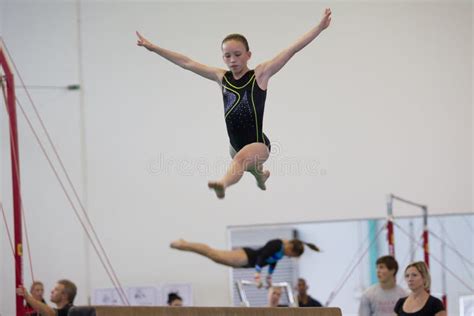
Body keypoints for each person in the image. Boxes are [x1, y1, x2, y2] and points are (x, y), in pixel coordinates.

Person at [136, 8, 332, 199]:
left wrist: (319, 28)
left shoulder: (260, 75)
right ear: (223, 57)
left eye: (238, 54)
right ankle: (261, 176)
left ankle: (223, 183)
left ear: (248, 54)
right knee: (245, 162)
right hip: (234, 144)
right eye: (227, 56)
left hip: (258, 144)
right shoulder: (221, 77)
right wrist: (153, 48)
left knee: (240, 160)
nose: (232, 60)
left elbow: (292, 50)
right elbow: (187, 63)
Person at [170, 238, 319, 287]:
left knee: (214, 257)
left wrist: (269, 278)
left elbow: (272, 263)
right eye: (291, 255)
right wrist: (257, 276)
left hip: (247, 262)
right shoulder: (276, 244)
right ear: (291, 247)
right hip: (246, 256)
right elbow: (262, 256)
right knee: (214, 254)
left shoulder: (281, 253)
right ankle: (185, 244)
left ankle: (186, 244)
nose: (289, 256)